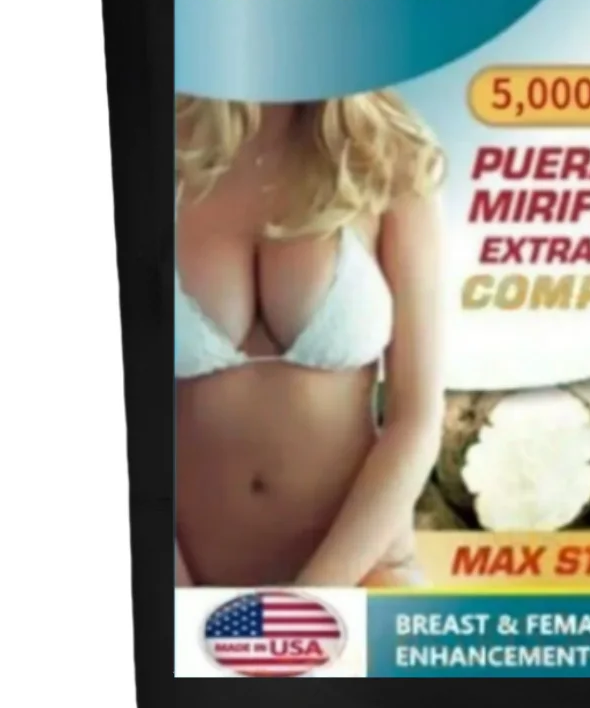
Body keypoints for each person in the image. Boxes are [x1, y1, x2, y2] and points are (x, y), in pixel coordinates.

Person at [173, 93, 444, 588]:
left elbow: (417, 418)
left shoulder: (388, 150)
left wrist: (308, 606)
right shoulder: (155, 146)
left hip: (361, 574)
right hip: (185, 582)